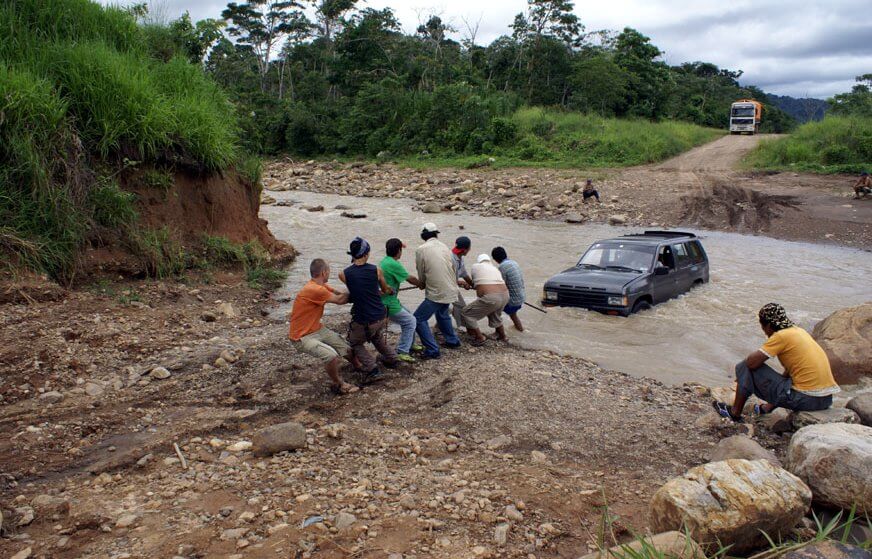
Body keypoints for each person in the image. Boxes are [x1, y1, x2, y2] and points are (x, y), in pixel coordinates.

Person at [713, 303, 840, 422]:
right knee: (789, 379)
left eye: (763, 326)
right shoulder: (798, 332)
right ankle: (766, 408)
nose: (764, 330)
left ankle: (734, 412)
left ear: (768, 326)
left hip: (806, 400)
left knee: (743, 366)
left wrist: (742, 378)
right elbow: (792, 370)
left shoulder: (780, 336)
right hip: (826, 399)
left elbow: (751, 364)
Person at [288, 258, 360, 395]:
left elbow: (339, 293)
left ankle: (358, 366)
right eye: (328, 271)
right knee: (331, 356)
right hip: (301, 336)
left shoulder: (321, 286)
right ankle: (339, 383)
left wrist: (361, 292)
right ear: (324, 272)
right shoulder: (314, 289)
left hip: (317, 329)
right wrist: (355, 289)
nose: (329, 273)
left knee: (346, 348)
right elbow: (340, 300)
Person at [338, 237, 398, 383]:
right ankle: (391, 358)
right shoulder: (377, 270)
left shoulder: (343, 274)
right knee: (375, 336)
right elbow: (384, 289)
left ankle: (372, 368)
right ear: (366, 253)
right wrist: (389, 291)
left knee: (354, 342)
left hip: (364, 318)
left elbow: (357, 289)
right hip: (380, 315)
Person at [413, 223, 461, 359]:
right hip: (451, 289)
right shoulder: (445, 247)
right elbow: (454, 267)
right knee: (442, 313)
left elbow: (421, 271)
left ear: (424, 235)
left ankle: (432, 349)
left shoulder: (421, 249)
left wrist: (421, 283)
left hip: (437, 292)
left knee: (418, 319)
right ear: (435, 234)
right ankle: (453, 341)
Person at [379, 238, 423, 363]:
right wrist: (421, 284)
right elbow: (410, 278)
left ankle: (409, 344)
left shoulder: (385, 261)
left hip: (389, 300)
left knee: (409, 315)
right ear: (398, 251)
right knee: (410, 321)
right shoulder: (393, 264)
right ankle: (403, 351)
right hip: (388, 303)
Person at [461, 254, 510, 346]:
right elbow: (484, 283)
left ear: (479, 261)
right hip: (505, 295)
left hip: (492, 297)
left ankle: (480, 337)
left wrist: (468, 285)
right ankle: (503, 337)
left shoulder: (475, 267)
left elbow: (476, 286)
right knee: (495, 314)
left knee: (466, 313)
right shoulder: (495, 268)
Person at [491, 246, 526, 332]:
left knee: (494, 311)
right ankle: (520, 330)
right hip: (521, 297)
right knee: (513, 315)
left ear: (495, 259)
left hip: (513, 301)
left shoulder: (502, 267)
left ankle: (498, 333)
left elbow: (501, 286)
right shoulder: (514, 263)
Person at [451, 236, 473, 329]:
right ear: (465, 250)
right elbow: (453, 280)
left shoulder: (459, 257)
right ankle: (470, 330)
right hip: (448, 286)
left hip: (451, 285)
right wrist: (463, 284)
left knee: (444, 308)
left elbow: (464, 273)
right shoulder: (452, 260)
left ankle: (439, 326)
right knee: (462, 307)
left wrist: (473, 284)